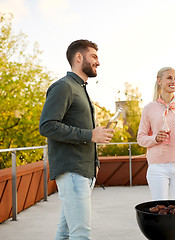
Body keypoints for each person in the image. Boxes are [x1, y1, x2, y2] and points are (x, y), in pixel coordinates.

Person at [39, 39, 114, 240]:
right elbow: (47, 126)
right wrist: (90, 135)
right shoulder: (63, 86)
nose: (98, 62)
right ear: (79, 57)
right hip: (72, 171)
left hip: (84, 171)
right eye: (94, 57)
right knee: (80, 234)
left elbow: (84, 132)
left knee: (65, 232)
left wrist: (95, 163)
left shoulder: (81, 88)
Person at [137, 67, 175, 200]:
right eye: (169, 78)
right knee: (160, 209)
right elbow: (140, 138)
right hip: (157, 167)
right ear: (159, 81)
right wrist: (155, 138)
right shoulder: (149, 108)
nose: (173, 81)